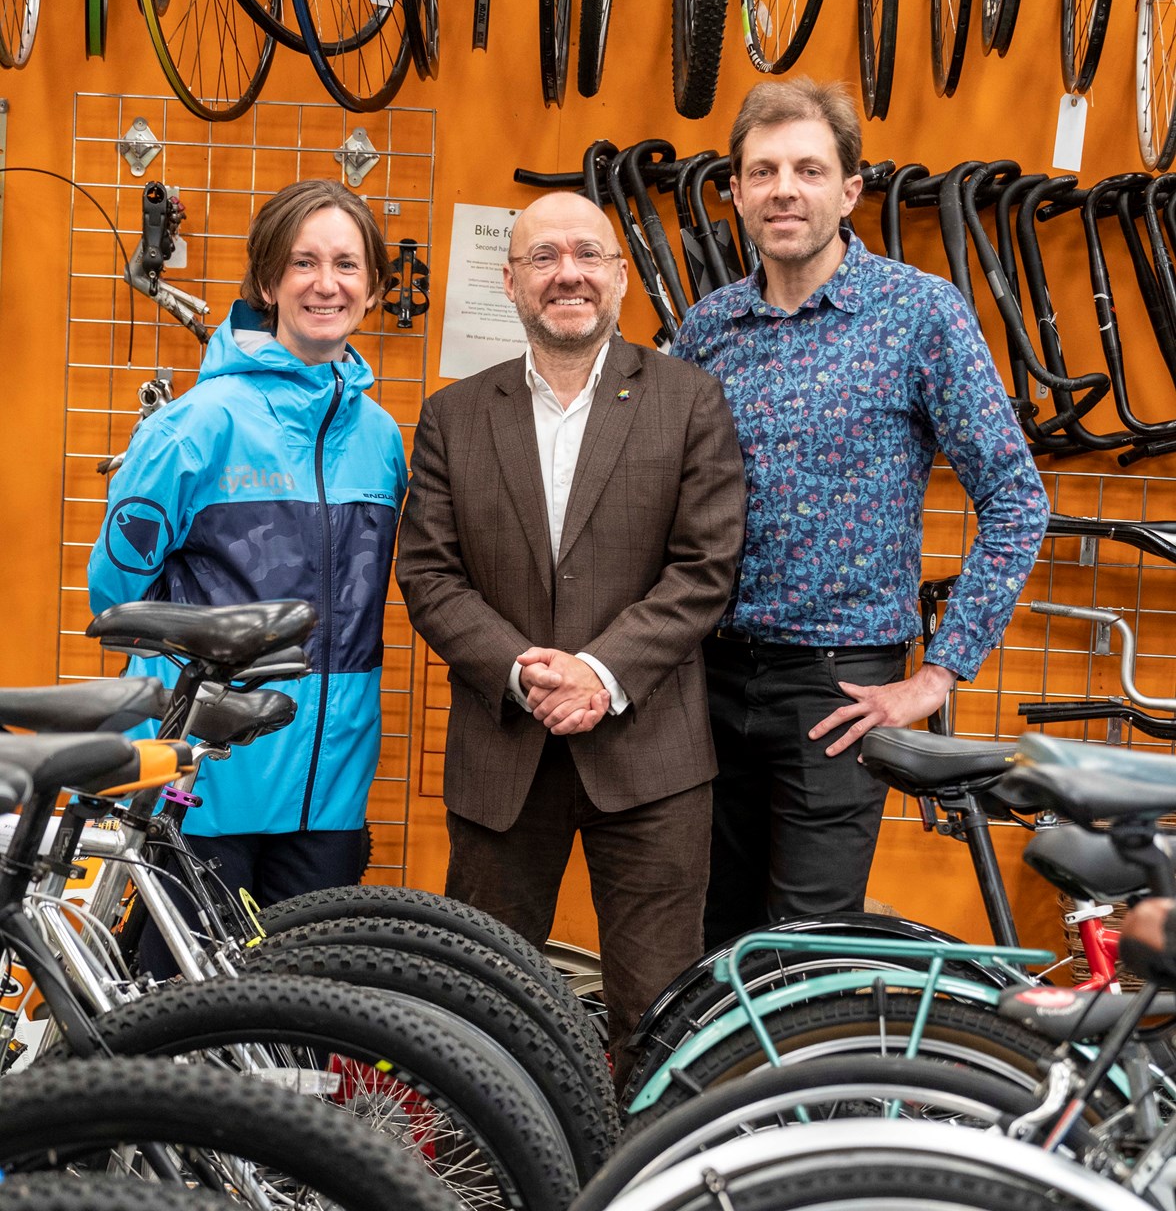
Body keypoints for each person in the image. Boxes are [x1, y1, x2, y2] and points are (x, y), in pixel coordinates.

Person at [672, 77, 1050, 947]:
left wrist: (939, 674)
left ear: (849, 190)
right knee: (708, 935)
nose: (783, 189)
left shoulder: (919, 316)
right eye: (761, 171)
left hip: (841, 685)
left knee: (805, 944)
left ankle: (809, 1089)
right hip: (705, 676)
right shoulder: (706, 329)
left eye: (808, 168)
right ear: (734, 192)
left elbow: (1015, 498)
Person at [395, 191, 747, 1080]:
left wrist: (599, 672)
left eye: (588, 254)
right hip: (503, 751)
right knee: (479, 1004)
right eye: (543, 257)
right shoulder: (453, 415)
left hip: (652, 757)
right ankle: (478, 1194)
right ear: (510, 281)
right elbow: (429, 575)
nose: (568, 274)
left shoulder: (688, 400)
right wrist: (521, 670)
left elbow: (706, 567)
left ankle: (646, 1199)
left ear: (621, 278)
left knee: (660, 1015)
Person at [88, 178, 406, 914]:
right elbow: (118, 598)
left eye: (347, 265)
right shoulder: (194, 427)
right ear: (267, 279)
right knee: (190, 1012)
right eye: (303, 263)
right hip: (208, 783)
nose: (326, 284)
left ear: (373, 286)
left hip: (330, 789)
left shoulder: (382, 439)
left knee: (308, 1010)